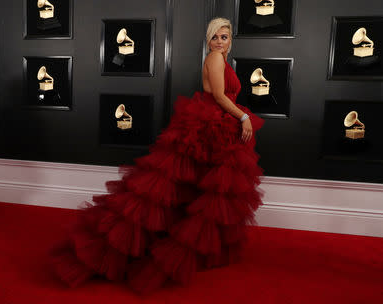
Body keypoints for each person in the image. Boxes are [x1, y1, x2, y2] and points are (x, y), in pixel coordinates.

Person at [51, 17, 264, 294]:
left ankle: (203, 248)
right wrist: (244, 116)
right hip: (212, 123)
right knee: (189, 189)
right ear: (208, 40)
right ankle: (132, 247)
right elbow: (221, 96)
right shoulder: (214, 58)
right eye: (215, 37)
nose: (220, 42)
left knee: (207, 191)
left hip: (218, 124)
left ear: (231, 40)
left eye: (224, 37)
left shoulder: (221, 59)